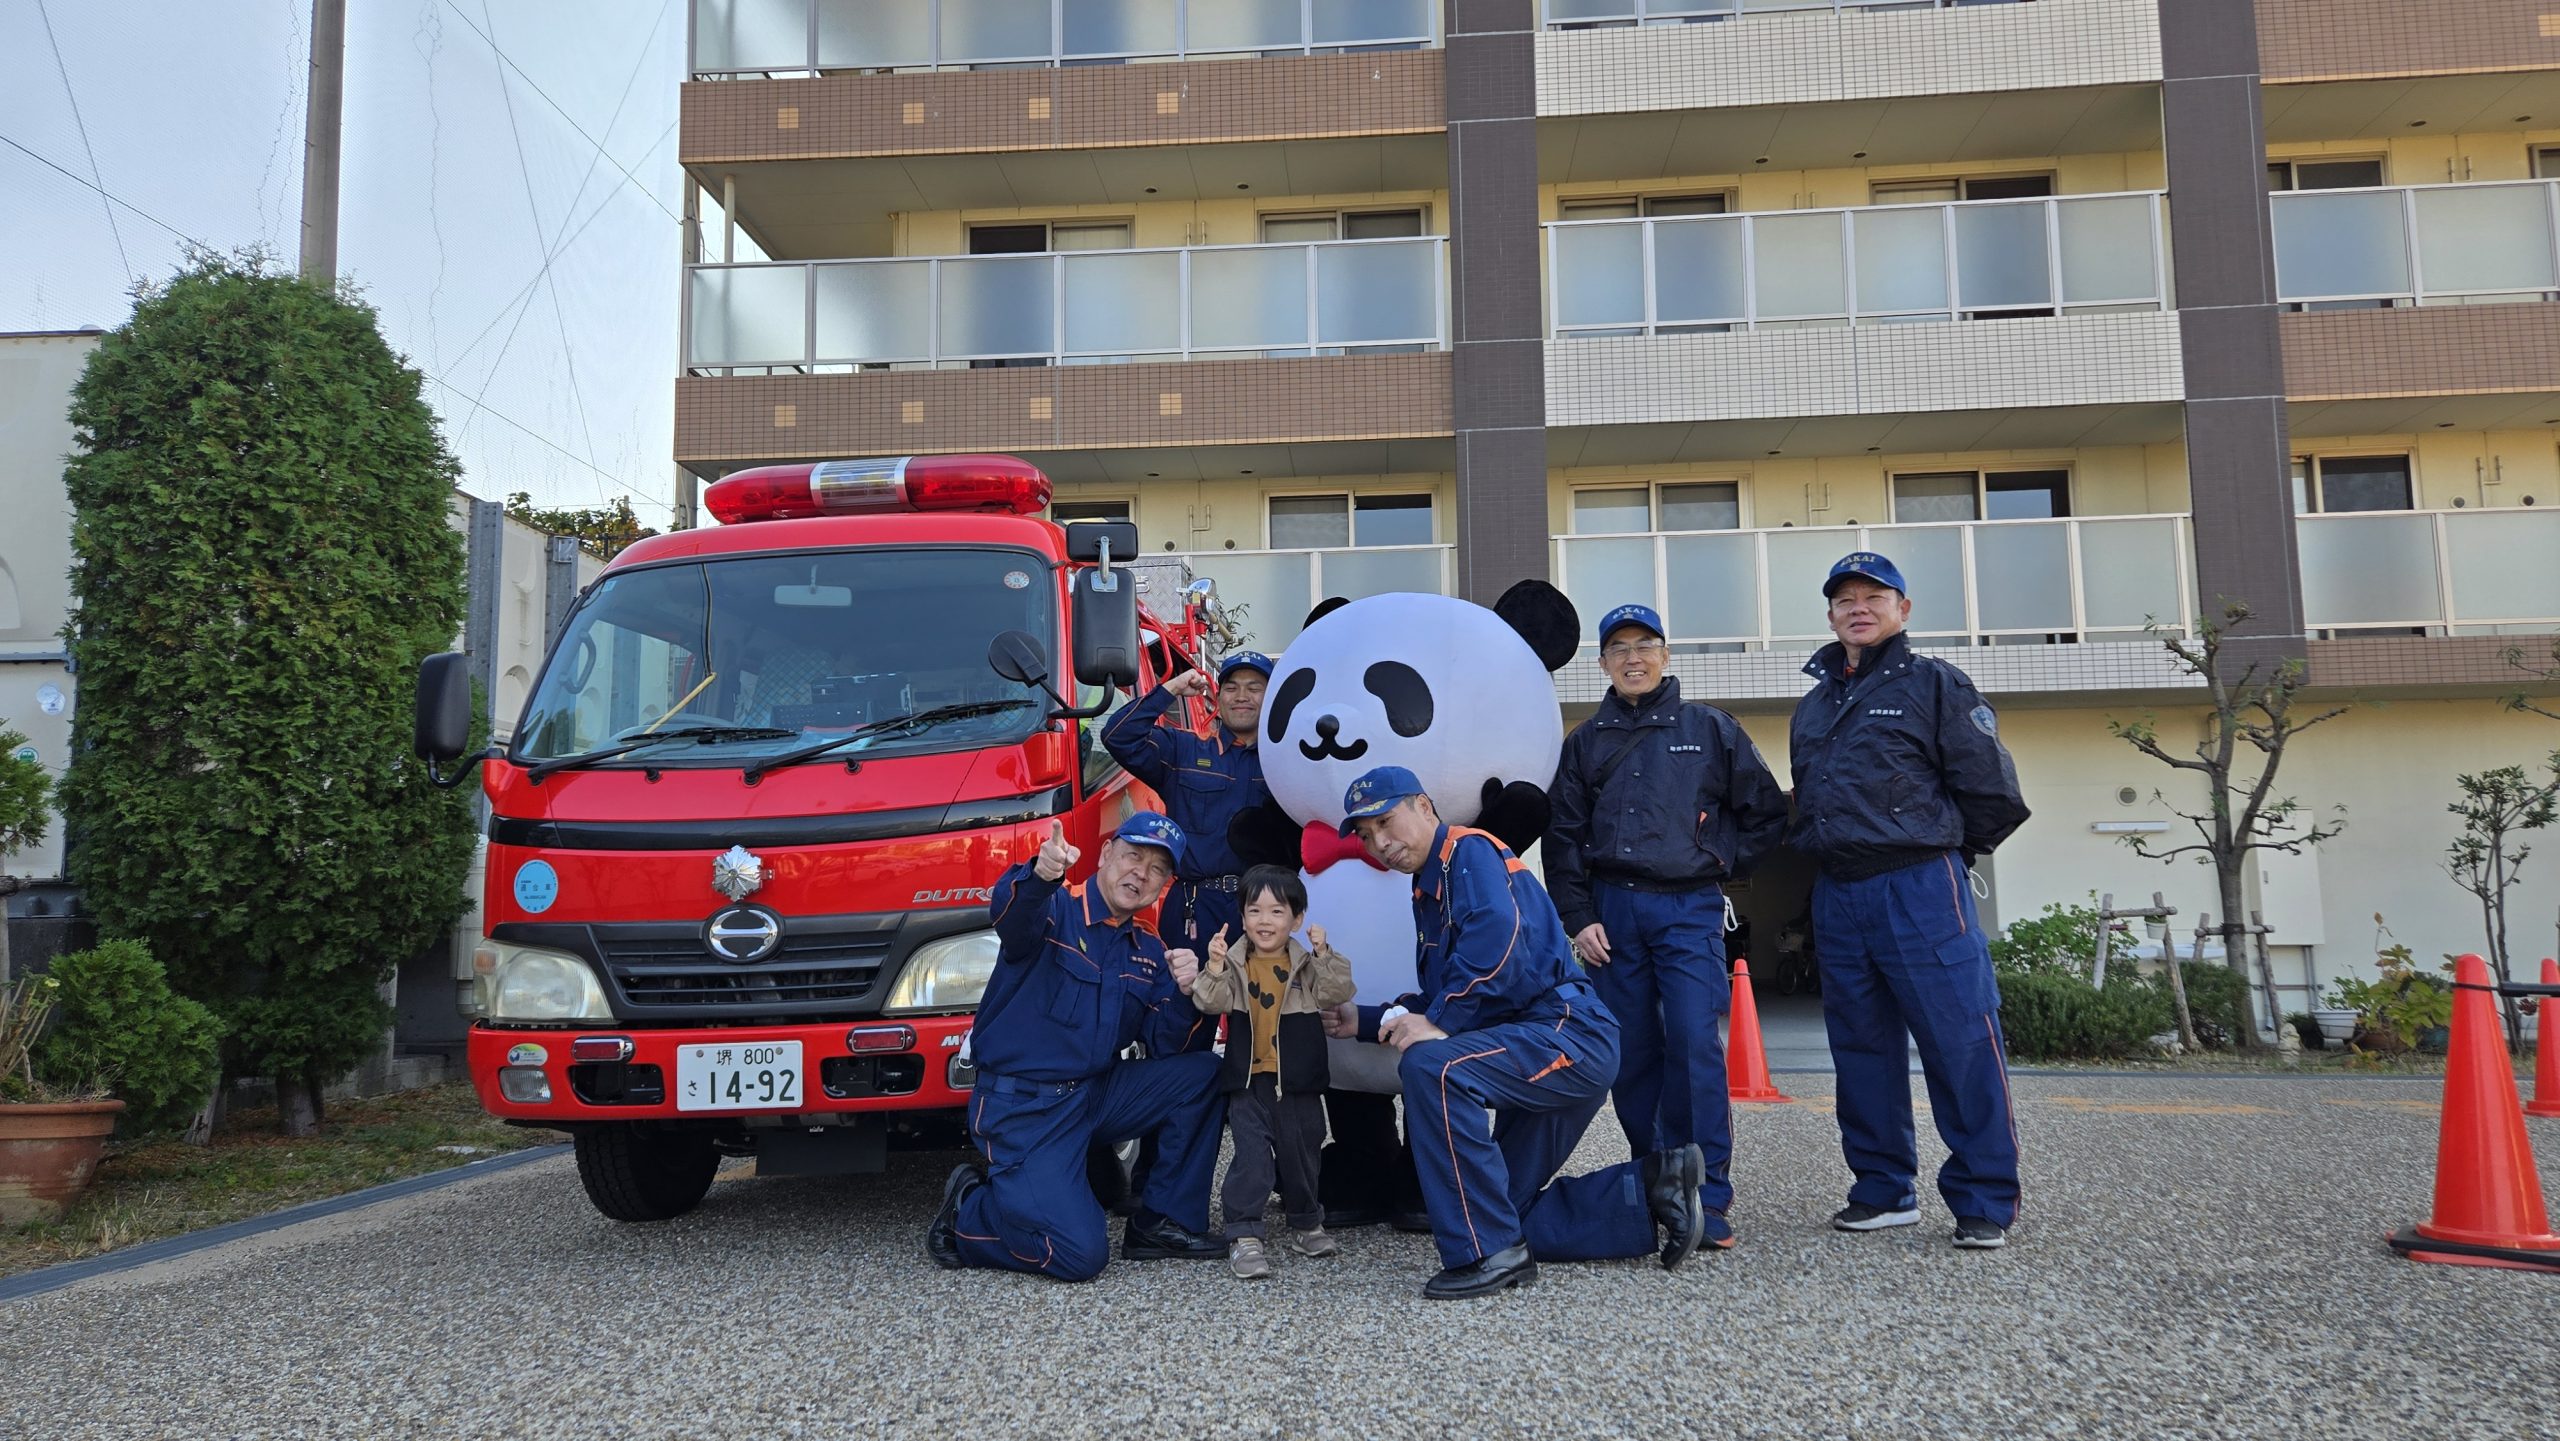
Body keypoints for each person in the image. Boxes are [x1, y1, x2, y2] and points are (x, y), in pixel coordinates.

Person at [1335, 765, 1708, 1299]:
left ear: (1424, 806)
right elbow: (1449, 988)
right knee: (1498, 1207)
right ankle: (1653, 1188)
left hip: (1565, 1034)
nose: (1380, 843)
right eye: (1367, 836)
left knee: (1432, 1068)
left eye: (1386, 822)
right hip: (1534, 1045)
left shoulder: (1468, 852)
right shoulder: (1429, 887)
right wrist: (1366, 1021)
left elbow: (1498, 945)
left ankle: (1488, 1256)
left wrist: (1437, 1023)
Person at [1787, 552, 2032, 1251]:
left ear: (1903, 608)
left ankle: (1985, 1196)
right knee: (1861, 1048)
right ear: (1831, 615)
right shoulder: (1814, 705)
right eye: (1844, 600)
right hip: (1839, 890)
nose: (1858, 608)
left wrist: (1939, 855)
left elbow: (1991, 795)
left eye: (1874, 596)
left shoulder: (1935, 685)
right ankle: (1882, 1187)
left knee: (1959, 1037)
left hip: (1921, 885)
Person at [1544, 602, 1787, 1250]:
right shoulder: (1585, 744)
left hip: (1688, 909)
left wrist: (1718, 859)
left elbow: (1766, 811)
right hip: (1612, 914)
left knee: (1692, 1044)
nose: (1632, 656)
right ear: (1601, 662)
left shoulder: (1710, 729)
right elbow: (1562, 840)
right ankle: (1661, 1182)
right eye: (1618, 647)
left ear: (1665, 654)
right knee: (1632, 1055)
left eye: (1644, 644)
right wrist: (1579, 916)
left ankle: (1709, 1193)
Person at [926, 813, 1227, 1281]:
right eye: (1133, 856)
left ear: (1164, 885)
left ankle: (1161, 1223)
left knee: (1204, 1072)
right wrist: (1041, 874)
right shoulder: (1054, 908)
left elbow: (1165, 1045)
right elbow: (1010, 915)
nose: (1141, 874)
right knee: (1079, 1254)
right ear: (1106, 854)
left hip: (1093, 1096)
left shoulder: (1149, 949)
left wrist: (1192, 992)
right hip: (1024, 1108)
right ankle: (971, 1213)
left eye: (1157, 870)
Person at [1185, 866, 1358, 1279]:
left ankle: (1305, 1220)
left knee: (1302, 1156)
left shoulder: (1305, 964)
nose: (1265, 921)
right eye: (1255, 910)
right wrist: (1211, 966)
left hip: (1298, 1082)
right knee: (1251, 1159)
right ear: (1243, 917)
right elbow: (1209, 1002)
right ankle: (1244, 1233)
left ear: (1296, 920)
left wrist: (1323, 953)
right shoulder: (1234, 963)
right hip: (1248, 1082)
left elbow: (1337, 991)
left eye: (1277, 911)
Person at [1101, 652, 1274, 958]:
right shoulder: (1185, 750)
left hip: (1265, 909)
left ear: (1272, 696)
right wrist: (1172, 688)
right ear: (1218, 698)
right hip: (1194, 909)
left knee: (1259, 1005)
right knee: (1182, 1001)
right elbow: (1118, 736)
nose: (1242, 697)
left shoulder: (1287, 762)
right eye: (1232, 688)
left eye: (1254, 688)